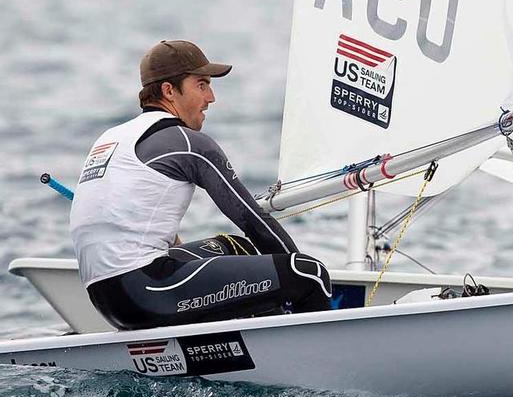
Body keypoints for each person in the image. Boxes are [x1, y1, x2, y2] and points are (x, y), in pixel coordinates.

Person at [69, 40, 332, 330]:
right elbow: (252, 219)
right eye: (202, 85)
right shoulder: (187, 143)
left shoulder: (111, 138)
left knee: (235, 247)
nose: (212, 97)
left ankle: (249, 341)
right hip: (148, 293)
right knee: (307, 273)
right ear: (169, 91)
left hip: (105, 299)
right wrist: (294, 272)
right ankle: (315, 356)